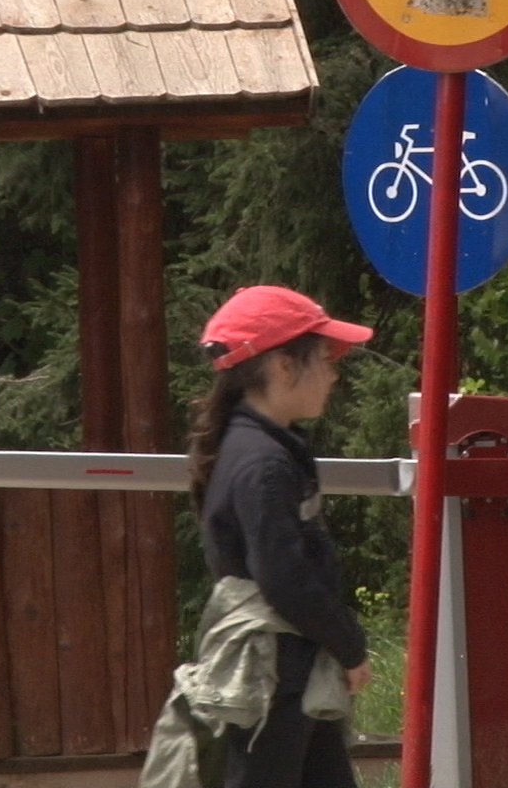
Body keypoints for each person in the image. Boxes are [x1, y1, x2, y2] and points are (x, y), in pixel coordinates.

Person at [145, 286, 374, 788]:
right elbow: (284, 579)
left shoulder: (264, 447)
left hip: (288, 670)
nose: (334, 371)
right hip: (268, 678)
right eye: (324, 356)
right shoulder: (262, 463)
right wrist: (350, 646)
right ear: (283, 367)